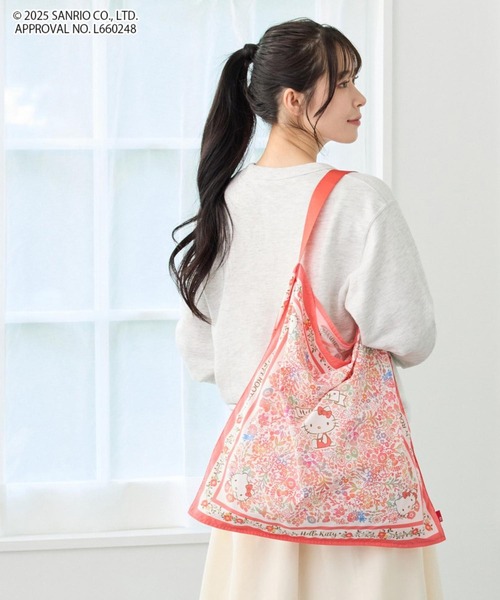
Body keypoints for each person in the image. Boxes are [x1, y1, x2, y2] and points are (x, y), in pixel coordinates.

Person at [170, 18, 443, 600]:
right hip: (355, 501)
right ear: (295, 100)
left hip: (258, 499)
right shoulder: (358, 200)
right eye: (343, 83)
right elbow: (412, 335)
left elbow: (199, 354)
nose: (359, 97)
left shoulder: (224, 204)